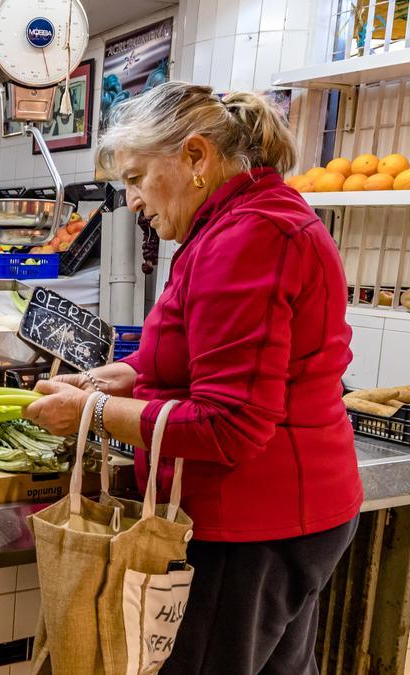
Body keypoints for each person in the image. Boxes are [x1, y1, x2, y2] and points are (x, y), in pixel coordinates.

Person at [23, 81, 362, 674]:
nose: (130, 202)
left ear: (196, 157)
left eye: (135, 178)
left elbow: (227, 426)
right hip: (288, 516)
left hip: (253, 525)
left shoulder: (249, 238)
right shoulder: (240, 223)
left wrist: (89, 414)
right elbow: (193, 359)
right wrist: (118, 378)